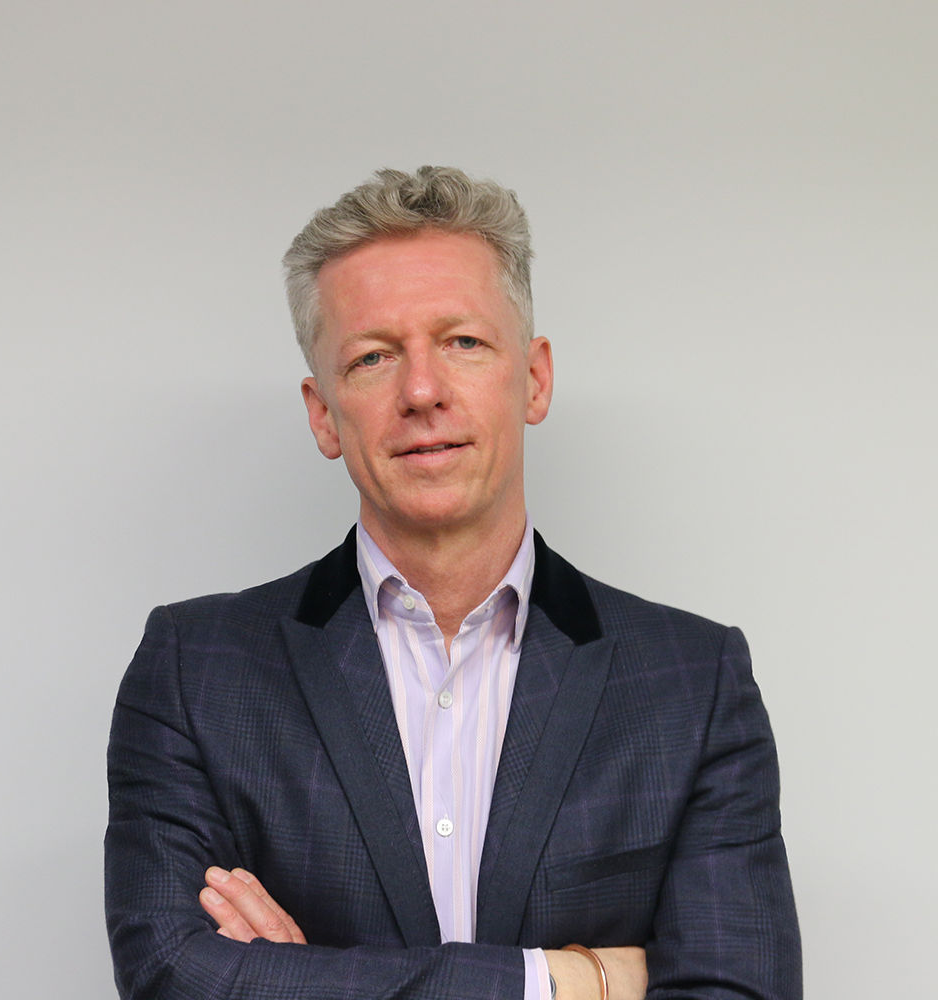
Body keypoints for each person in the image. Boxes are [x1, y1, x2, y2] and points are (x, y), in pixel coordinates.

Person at [105, 166, 801, 1000]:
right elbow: (170, 978)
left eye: (463, 342)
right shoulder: (195, 671)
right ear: (323, 412)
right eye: (371, 358)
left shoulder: (693, 682)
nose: (422, 391)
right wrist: (565, 982)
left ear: (534, 379)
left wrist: (298, 981)